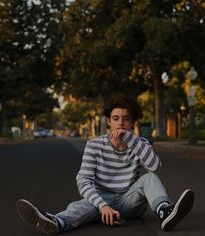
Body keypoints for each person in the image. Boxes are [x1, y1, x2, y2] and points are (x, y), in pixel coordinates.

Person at [16, 96, 194, 235]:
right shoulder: (95, 145)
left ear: (132, 122)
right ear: (109, 121)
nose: (121, 123)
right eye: (116, 118)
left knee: (150, 178)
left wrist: (131, 139)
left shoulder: (141, 143)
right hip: (101, 203)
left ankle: (165, 212)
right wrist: (103, 205)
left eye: (126, 119)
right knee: (82, 206)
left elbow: (155, 166)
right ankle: (57, 222)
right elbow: (83, 181)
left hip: (129, 202)